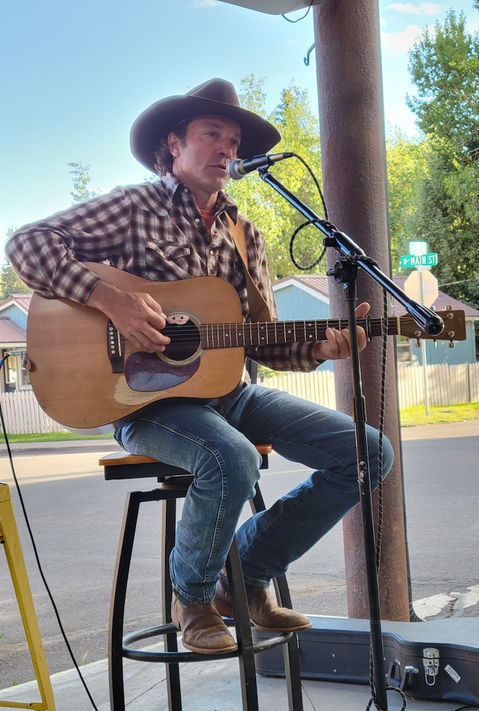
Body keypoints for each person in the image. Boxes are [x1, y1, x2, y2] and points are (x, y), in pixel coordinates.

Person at [6, 78, 393, 654]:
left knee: (368, 452)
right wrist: (110, 300)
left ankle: (243, 576)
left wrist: (317, 348)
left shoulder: (246, 235)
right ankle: (191, 596)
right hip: (143, 400)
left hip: (227, 392)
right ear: (174, 144)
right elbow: (27, 244)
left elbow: (257, 342)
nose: (227, 150)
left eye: (234, 140)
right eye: (212, 134)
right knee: (230, 458)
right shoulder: (135, 206)